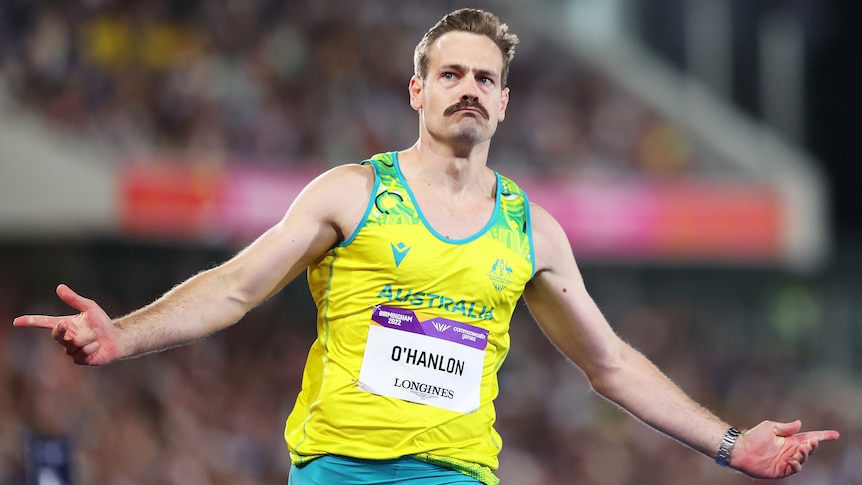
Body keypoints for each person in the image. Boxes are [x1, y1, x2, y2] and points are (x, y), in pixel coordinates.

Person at [13, 8, 838, 485]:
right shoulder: (352, 192)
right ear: (418, 90)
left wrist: (731, 443)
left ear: (506, 103)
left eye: (485, 78)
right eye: (451, 74)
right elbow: (233, 286)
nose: (468, 88)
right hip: (341, 472)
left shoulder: (531, 230)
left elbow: (610, 363)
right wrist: (124, 333)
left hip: (458, 477)